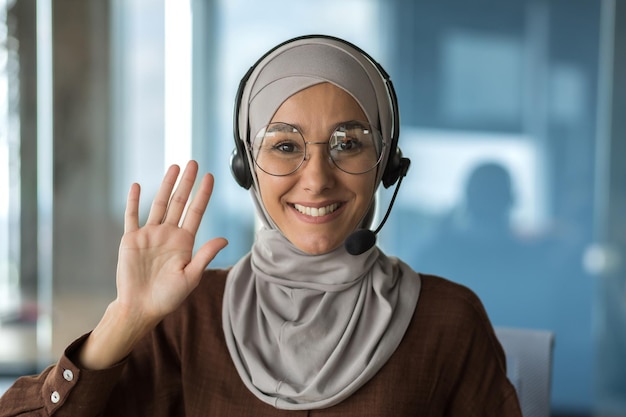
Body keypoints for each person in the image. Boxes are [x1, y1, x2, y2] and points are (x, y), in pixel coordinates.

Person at [0, 35, 522, 416]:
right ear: (246, 166)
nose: (316, 179)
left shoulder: (448, 321)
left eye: (349, 142)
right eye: (285, 145)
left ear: (386, 163)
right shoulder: (188, 315)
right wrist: (126, 319)